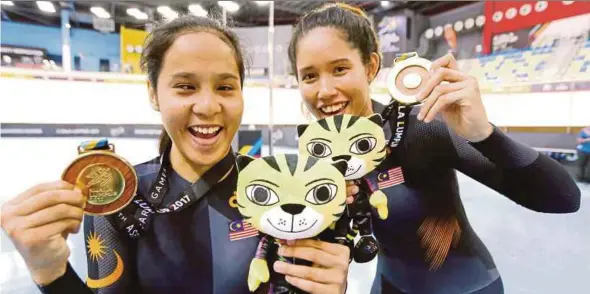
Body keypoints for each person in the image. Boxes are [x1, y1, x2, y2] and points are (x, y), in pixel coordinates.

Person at [0, 15, 351, 294]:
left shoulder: (288, 187)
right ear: (154, 94)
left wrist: (331, 286)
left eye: (226, 87)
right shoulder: (116, 199)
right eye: (185, 87)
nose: (208, 105)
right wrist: (49, 271)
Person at [287, 3, 581, 294]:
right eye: (309, 76)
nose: (324, 91)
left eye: (339, 69)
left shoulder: (422, 128)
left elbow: (563, 198)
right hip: (389, 286)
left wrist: (485, 135)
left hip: (466, 288)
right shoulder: (316, 154)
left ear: (370, 66)